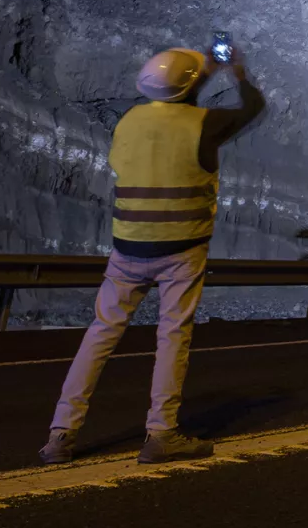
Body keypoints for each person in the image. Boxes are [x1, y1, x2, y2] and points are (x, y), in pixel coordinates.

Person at [39, 41, 266, 465]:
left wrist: (198, 75)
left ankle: (60, 435)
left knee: (100, 335)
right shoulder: (206, 124)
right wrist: (232, 70)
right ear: (191, 86)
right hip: (182, 250)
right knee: (172, 337)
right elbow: (252, 108)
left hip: (127, 247)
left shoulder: (129, 122)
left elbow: (169, 109)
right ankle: (162, 433)